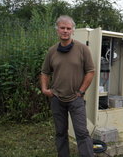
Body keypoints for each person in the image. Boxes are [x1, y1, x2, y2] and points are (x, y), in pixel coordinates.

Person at [40, 15, 95, 157]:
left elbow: (90, 71)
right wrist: (45, 89)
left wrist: (81, 91)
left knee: (82, 133)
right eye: (62, 28)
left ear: (73, 31)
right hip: (57, 99)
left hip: (76, 99)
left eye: (68, 28)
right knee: (60, 133)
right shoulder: (52, 51)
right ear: (57, 30)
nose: (65, 31)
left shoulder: (82, 49)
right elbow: (45, 72)